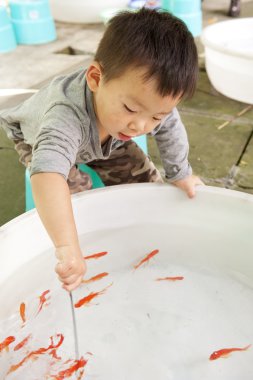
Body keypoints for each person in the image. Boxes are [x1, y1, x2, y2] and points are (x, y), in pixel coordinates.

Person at [0, 8, 203, 292]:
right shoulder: (63, 118)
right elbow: (47, 175)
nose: (140, 125)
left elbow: (169, 129)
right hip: (38, 136)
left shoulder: (142, 111)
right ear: (95, 78)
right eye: (131, 108)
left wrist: (180, 172)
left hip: (107, 134)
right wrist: (67, 247)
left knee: (146, 180)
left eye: (156, 116)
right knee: (77, 200)